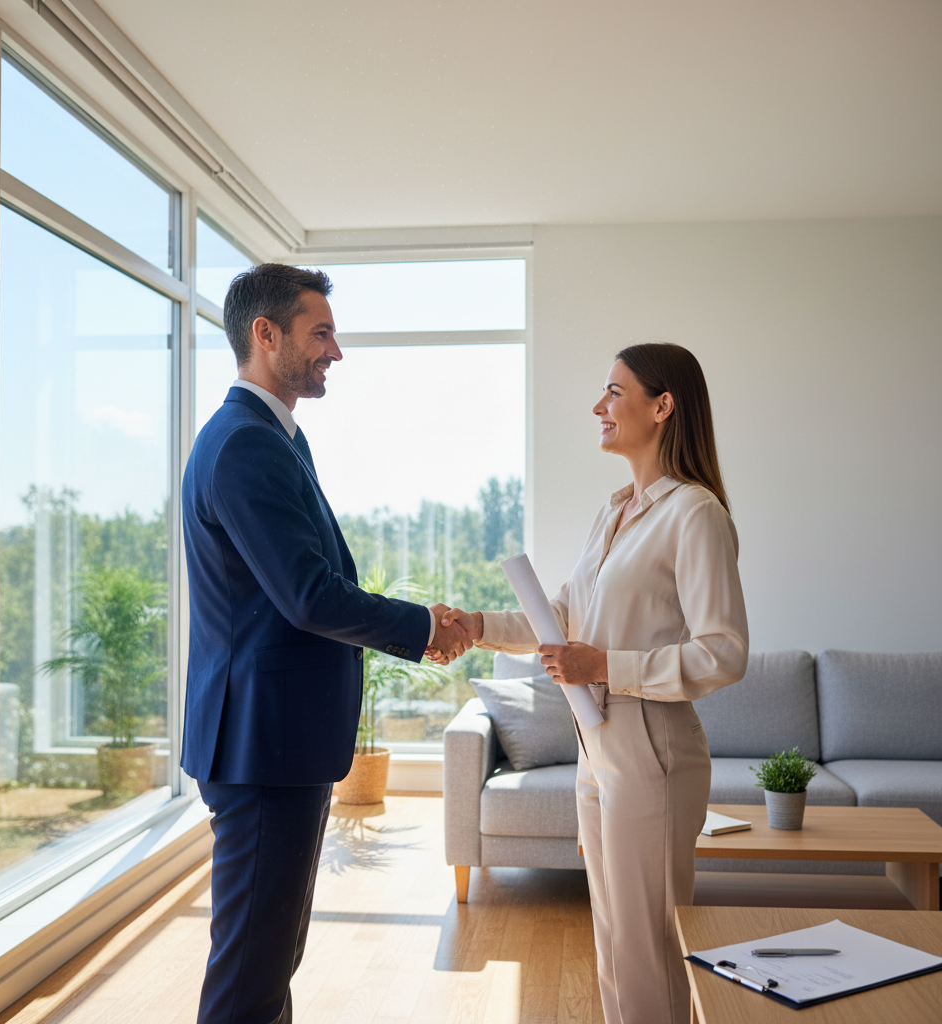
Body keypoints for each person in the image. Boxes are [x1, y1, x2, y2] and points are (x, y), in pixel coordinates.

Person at [181, 263, 472, 1024]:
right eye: (321, 333)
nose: (335, 352)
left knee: (267, 959)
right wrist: (425, 628)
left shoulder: (270, 438)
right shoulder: (246, 444)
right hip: (263, 745)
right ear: (264, 334)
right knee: (252, 971)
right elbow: (308, 595)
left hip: (271, 741)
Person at [438, 343, 748, 1024]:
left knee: (648, 950)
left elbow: (724, 653)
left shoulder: (695, 515)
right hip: (597, 749)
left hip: (654, 752)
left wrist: (605, 666)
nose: (598, 406)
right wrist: (474, 625)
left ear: (662, 407)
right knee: (611, 941)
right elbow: (562, 617)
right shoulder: (613, 513)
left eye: (615, 391)